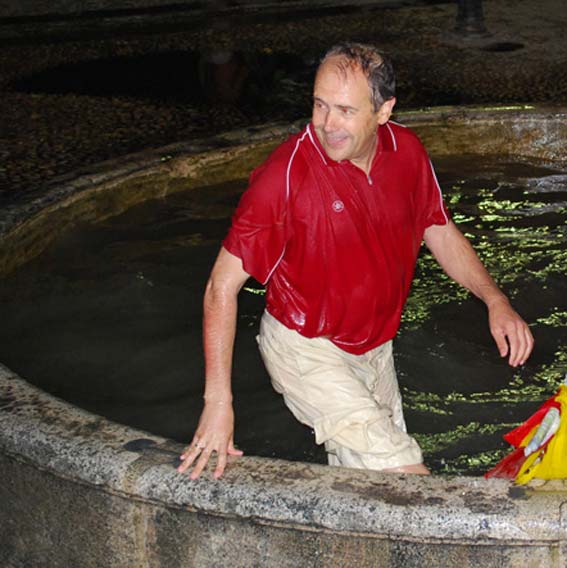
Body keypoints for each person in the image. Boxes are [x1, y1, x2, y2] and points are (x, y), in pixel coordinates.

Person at [177, 42, 534, 480]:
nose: (328, 124)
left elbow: (437, 229)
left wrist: (494, 299)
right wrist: (218, 404)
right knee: (409, 477)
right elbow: (221, 287)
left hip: (374, 348)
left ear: (384, 111)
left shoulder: (407, 153)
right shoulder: (284, 177)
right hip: (304, 349)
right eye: (319, 105)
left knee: (372, 485)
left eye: (345, 110)